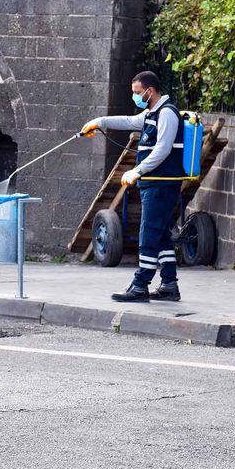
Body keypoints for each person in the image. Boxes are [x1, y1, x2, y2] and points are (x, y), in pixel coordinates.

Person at [81, 71, 184, 303]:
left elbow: (163, 149)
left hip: (162, 184)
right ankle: (169, 285)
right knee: (162, 236)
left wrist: (138, 170)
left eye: (138, 92)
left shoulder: (167, 114)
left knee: (148, 234)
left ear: (150, 90)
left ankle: (140, 285)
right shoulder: (151, 114)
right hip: (153, 184)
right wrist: (98, 123)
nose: (135, 97)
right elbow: (128, 120)